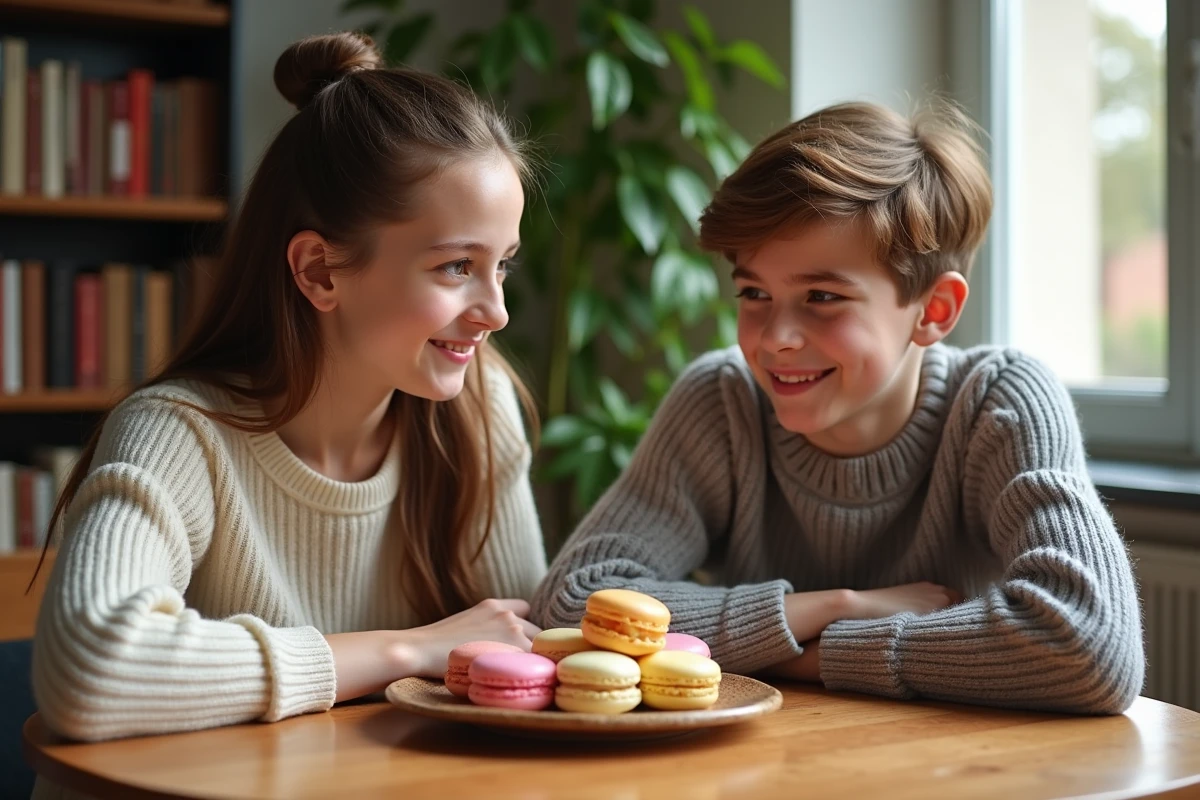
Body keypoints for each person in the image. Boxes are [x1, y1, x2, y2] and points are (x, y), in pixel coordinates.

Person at [532, 101, 1144, 714]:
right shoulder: (722, 400)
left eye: (822, 296)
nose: (775, 338)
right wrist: (833, 605)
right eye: (754, 293)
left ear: (933, 311)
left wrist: (815, 655)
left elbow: (1090, 643)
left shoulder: (997, 401)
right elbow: (574, 599)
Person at [32, 31, 548, 757]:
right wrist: (404, 651)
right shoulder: (178, 433)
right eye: (456, 266)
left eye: (503, 266)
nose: (494, 311)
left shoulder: (478, 409)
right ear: (319, 272)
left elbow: (519, 653)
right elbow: (90, 670)